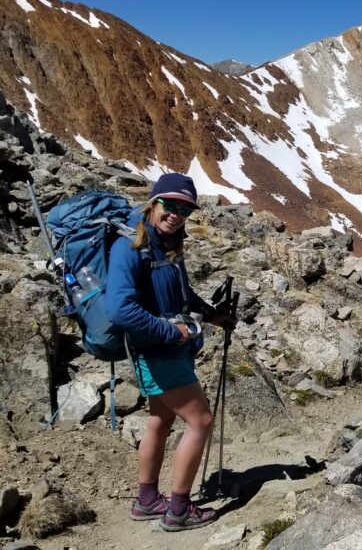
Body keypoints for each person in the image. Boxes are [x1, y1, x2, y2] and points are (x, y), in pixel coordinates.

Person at [106, 173, 232, 532]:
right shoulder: (129, 247)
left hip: (166, 348)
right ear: (153, 202)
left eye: (184, 209)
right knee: (201, 421)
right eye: (170, 205)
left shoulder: (168, 245)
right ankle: (178, 509)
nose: (176, 214)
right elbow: (120, 310)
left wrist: (211, 314)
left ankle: (147, 500)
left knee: (160, 421)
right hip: (156, 350)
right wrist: (170, 331)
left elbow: (182, 295)